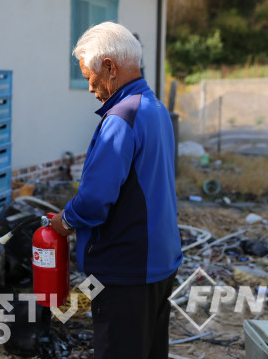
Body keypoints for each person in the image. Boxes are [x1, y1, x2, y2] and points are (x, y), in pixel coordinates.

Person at [50, 22, 182, 359]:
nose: (90, 88)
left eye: (89, 76)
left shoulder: (120, 119)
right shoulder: (154, 109)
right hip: (159, 262)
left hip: (127, 270)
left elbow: (95, 200)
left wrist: (65, 221)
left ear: (110, 67)